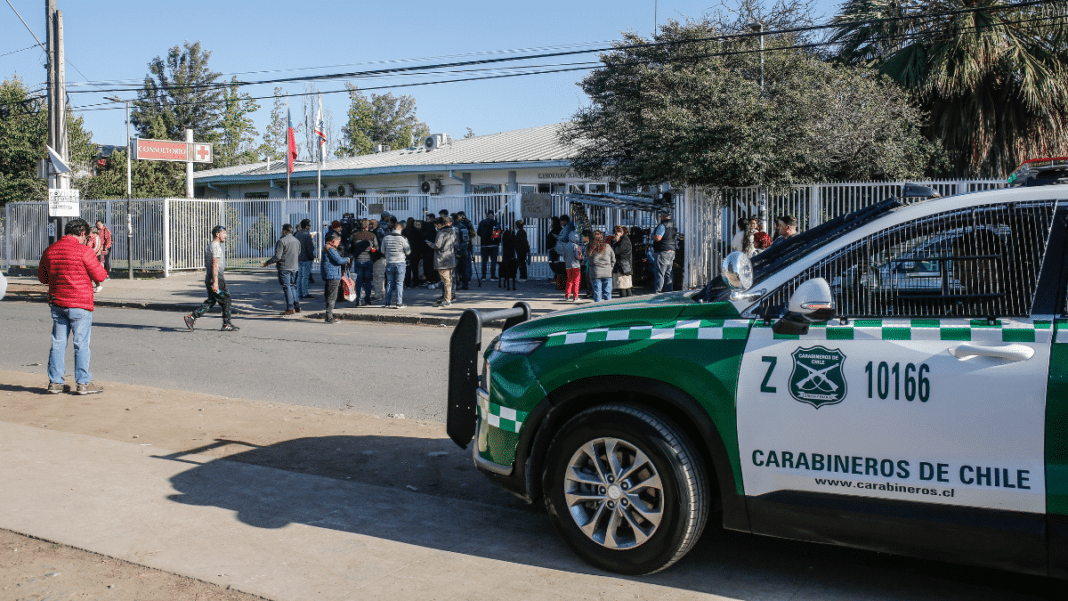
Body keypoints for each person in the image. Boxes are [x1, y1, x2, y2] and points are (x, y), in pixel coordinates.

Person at [38, 217, 108, 395]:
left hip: (58, 302)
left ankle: (55, 383)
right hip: (80, 304)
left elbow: (42, 278)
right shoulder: (84, 251)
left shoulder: (51, 250)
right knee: (81, 344)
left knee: (58, 343)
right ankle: (83, 383)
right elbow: (100, 275)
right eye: (86, 236)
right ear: (82, 233)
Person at [185, 225, 239, 332]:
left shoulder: (211, 245)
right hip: (216, 278)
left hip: (209, 278)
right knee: (227, 299)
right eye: (224, 233)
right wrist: (216, 282)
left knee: (211, 301)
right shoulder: (215, 246)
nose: (226, 236)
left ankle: (191, 318)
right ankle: (226, 324)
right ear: (217, 235)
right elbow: (215, 264)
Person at [262, 224, 301, 315]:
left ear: (284, 231)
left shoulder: (281, 241)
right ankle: (297, 306)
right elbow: (299, 252)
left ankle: (290, 308)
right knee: (292, 286)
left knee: (287, 287)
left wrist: (267, 263)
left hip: (284, 267)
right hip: (294, 267)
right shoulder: (297, 241)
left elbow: (277, 257)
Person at [427, 215, 458, 307]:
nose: (436, 227)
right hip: (450, 258)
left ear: (439, 225)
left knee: (446, 281)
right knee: (449, 280)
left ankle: (447, 300)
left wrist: (430, 244)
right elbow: (456, 244)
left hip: (442, 260)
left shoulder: (441, 233)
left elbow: (437, 245)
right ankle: (447, 298)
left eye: (436, 225)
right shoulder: (452, 231)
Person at [382, 220, 411, 308]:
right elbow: (408, 251)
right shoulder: (403, 238)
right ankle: (399, 303)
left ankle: (387, 303)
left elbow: (382, 251)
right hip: (400, 263)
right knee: (399, 283)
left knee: (389, 283)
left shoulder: (386, 238)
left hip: (389, 262)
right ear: (399, 228)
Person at [320, 231, 348, 324]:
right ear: (332, 241)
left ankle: (329, 316)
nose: (338, 242)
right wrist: (347, 259)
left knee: (330, 296)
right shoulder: (330, 249)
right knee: (332, 297)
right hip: (333, 275)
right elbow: (339, 260)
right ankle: (329, 317)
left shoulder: (327, 248)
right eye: (337, 240)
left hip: (330, 275)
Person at [349, 219, 376, 306]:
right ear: (368, 226)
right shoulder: (372, 236)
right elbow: (376, 248)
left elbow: (349, 247)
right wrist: (372, 251)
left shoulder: (354, 235)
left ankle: (359, 300)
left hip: (358, 260)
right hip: (368, 260)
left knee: (359, 281)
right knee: (368, 281)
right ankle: (367, 299)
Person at [651, 210, 677, 293]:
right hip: (671, 251)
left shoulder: (662, 225)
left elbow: (658, 237)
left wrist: (653, 236)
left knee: (660, 273)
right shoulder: (673, 225)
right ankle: (669, 292)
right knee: (669, 273)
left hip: (663, 251)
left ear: (662, 216)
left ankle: (657, 292)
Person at [587, 230, 616, 302]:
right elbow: (613, 259)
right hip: (607, 273)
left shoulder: (590, 248)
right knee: (607, 293)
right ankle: (608, 310)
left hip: (595, 273)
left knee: (597, 293)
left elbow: (588, 260)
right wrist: (610, 267)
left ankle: (598, 310)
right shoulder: (607, 246)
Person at [294, 219, 316, 300]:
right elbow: (310, 248)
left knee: (300, 276)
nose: (310, 227)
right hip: (306, 258)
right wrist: (312, 257)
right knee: (305, 276)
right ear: (307, 227)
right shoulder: (307, 235)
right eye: (309, 226)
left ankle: (299, 293)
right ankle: (305, 293)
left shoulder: (297, 234)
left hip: (298, 258)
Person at [477, 209, 501, 280]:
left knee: (484, 261)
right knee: (493, 260)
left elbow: (478, 233)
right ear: (493, 216)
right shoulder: (495, 223)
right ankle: (492, 276)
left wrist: (484, 237)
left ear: (487, 215)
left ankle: (483, 276)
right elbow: (497, 234)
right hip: (494, 245)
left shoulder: (482, 223)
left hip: (484, 245)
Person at [611, 225, 634, 297]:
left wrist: (614, 243)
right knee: (625, 287)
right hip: (624, 266)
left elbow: (616, 251)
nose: (614, 236)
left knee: (623, 287)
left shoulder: (624, 241)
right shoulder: (624, 240)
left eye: (616, 234)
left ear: (621, 233)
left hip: (623, 267)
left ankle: (625, 304)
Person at [453, 212, 474, 290]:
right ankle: (465, 284)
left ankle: (457, 284)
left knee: (456, 269)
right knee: (464, 268)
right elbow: (466, 240)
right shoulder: (463, 227)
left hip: (456, 251)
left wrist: (457, 249)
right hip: (464, 250)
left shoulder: (452, 227)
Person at [403, 217, 425, 288]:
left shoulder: (404, 231)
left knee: (407, 268)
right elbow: (421, 242)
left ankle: (407, 284)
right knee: (415, 268)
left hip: (406, 251)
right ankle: (415, 283)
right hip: (416, 252)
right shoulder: (417, 231)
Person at [561, 230, 583, 302]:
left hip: (568, 265)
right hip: (576, 266)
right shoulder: (576, 246)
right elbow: (578, 256)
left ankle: (567, 296)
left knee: (569, 280)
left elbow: (564, 256)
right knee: (576, 281)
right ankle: (575, 297)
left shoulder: (565, 246)